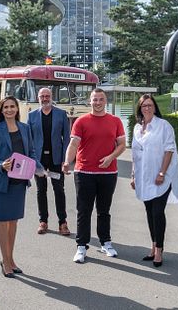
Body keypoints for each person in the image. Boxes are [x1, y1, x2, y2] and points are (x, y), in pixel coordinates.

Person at [63, 88, 126, 263]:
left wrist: (111, 157)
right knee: (84, 211)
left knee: (104, 211)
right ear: (89, 102)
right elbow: (73, 144)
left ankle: (106, 242)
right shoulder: (81, 121)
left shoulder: (115, 121)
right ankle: (81, 246)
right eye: (94, 100)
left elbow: (122, 144)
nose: (97, 102)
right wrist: (67, 161)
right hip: (84, 172)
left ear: (105, 102)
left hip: (108, 172)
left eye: (100, 99)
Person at [0, 96, 37, 278]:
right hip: (1, 183)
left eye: (12, 107)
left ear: (17, 109)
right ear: (1, 110)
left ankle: (11, 258)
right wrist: (1, 164)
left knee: (13, 222)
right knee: (2, 223)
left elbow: (30, 152)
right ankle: (5, 260)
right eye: (6, 107)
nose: (9, 110)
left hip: (19, 183)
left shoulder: (24, 128)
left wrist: (36, 167)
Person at [130, 94, 178, 267]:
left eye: (150, 105)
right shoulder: (137, 128)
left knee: (157, 213)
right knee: (149, 212)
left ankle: (159, 249)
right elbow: (135, 155)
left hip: (160, 178)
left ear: (155, 107)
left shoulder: (163, 125)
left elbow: (169, 150)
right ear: (140, 108)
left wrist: (162, 173)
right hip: (143, 178)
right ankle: (152, 246)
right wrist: (133, 175)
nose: (147, 108)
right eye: (144, 105)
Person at [28, 87, 71, 236]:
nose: (45, 98)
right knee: (41, 191)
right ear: (38, 98)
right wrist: (32, 160)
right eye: (42, 96)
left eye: (47, 96)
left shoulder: (61, 114)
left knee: (59, 190)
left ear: (51, 97)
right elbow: (29, 140)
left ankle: (63, 222)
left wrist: (65, 160)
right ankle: (43, 221)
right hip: (39, 161)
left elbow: (67, 139)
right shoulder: (32, 116)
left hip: (56, 160)